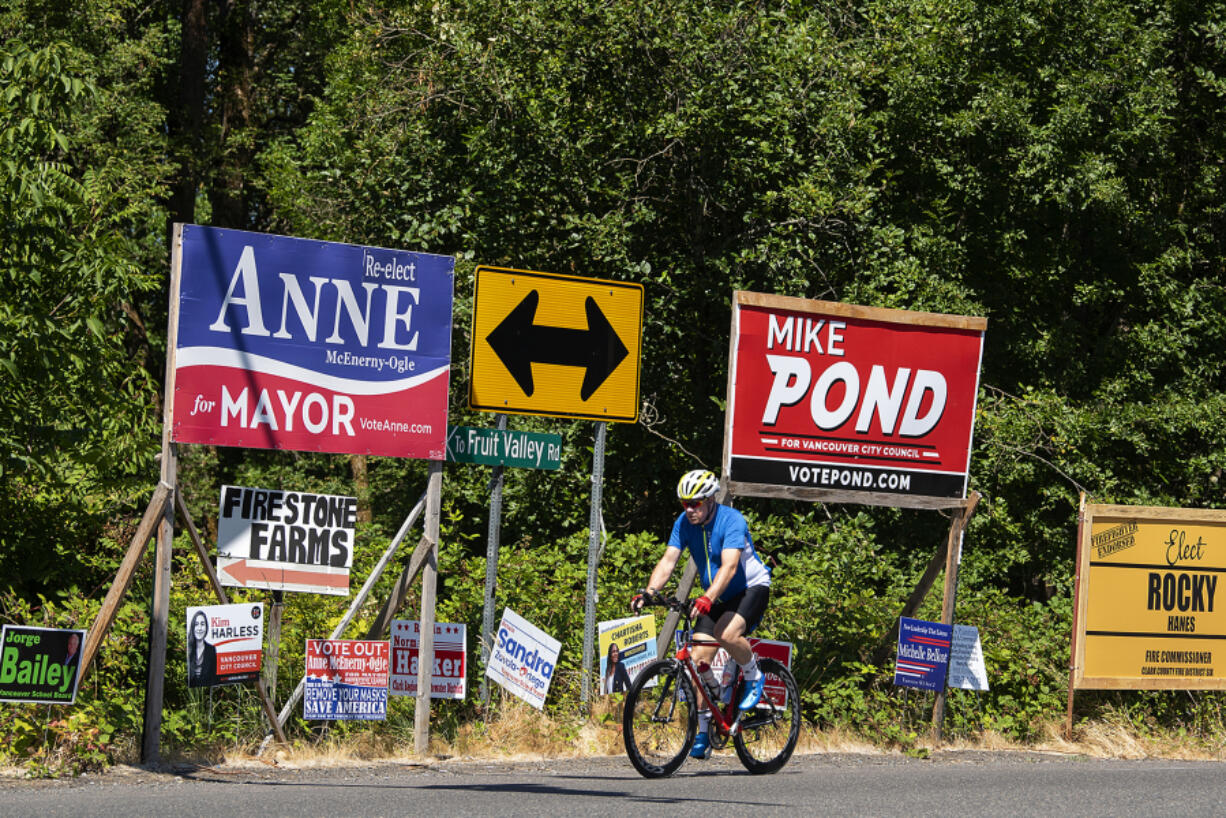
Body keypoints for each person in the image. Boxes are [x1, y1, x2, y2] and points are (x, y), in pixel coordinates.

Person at [631, 469, 771, 760]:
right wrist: (649, 593)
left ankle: (754, 675)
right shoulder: (683, 523)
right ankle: (705, 731)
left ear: (710, 500)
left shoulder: (732, 520)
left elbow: (730, 566)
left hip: (750, 588)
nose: (690, 509)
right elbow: (669, 561)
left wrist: (708, 597)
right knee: (697, 659)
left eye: (695, 503)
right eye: (685, 504)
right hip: (716, 595)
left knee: (726, 633)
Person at [187, 610, 218, 688]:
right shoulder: (188, 649)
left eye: (202, 624)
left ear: (206, 627)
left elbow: (213, 678)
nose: (199, 628)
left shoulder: (211, 650)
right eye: (196, 624)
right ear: (193, 627)